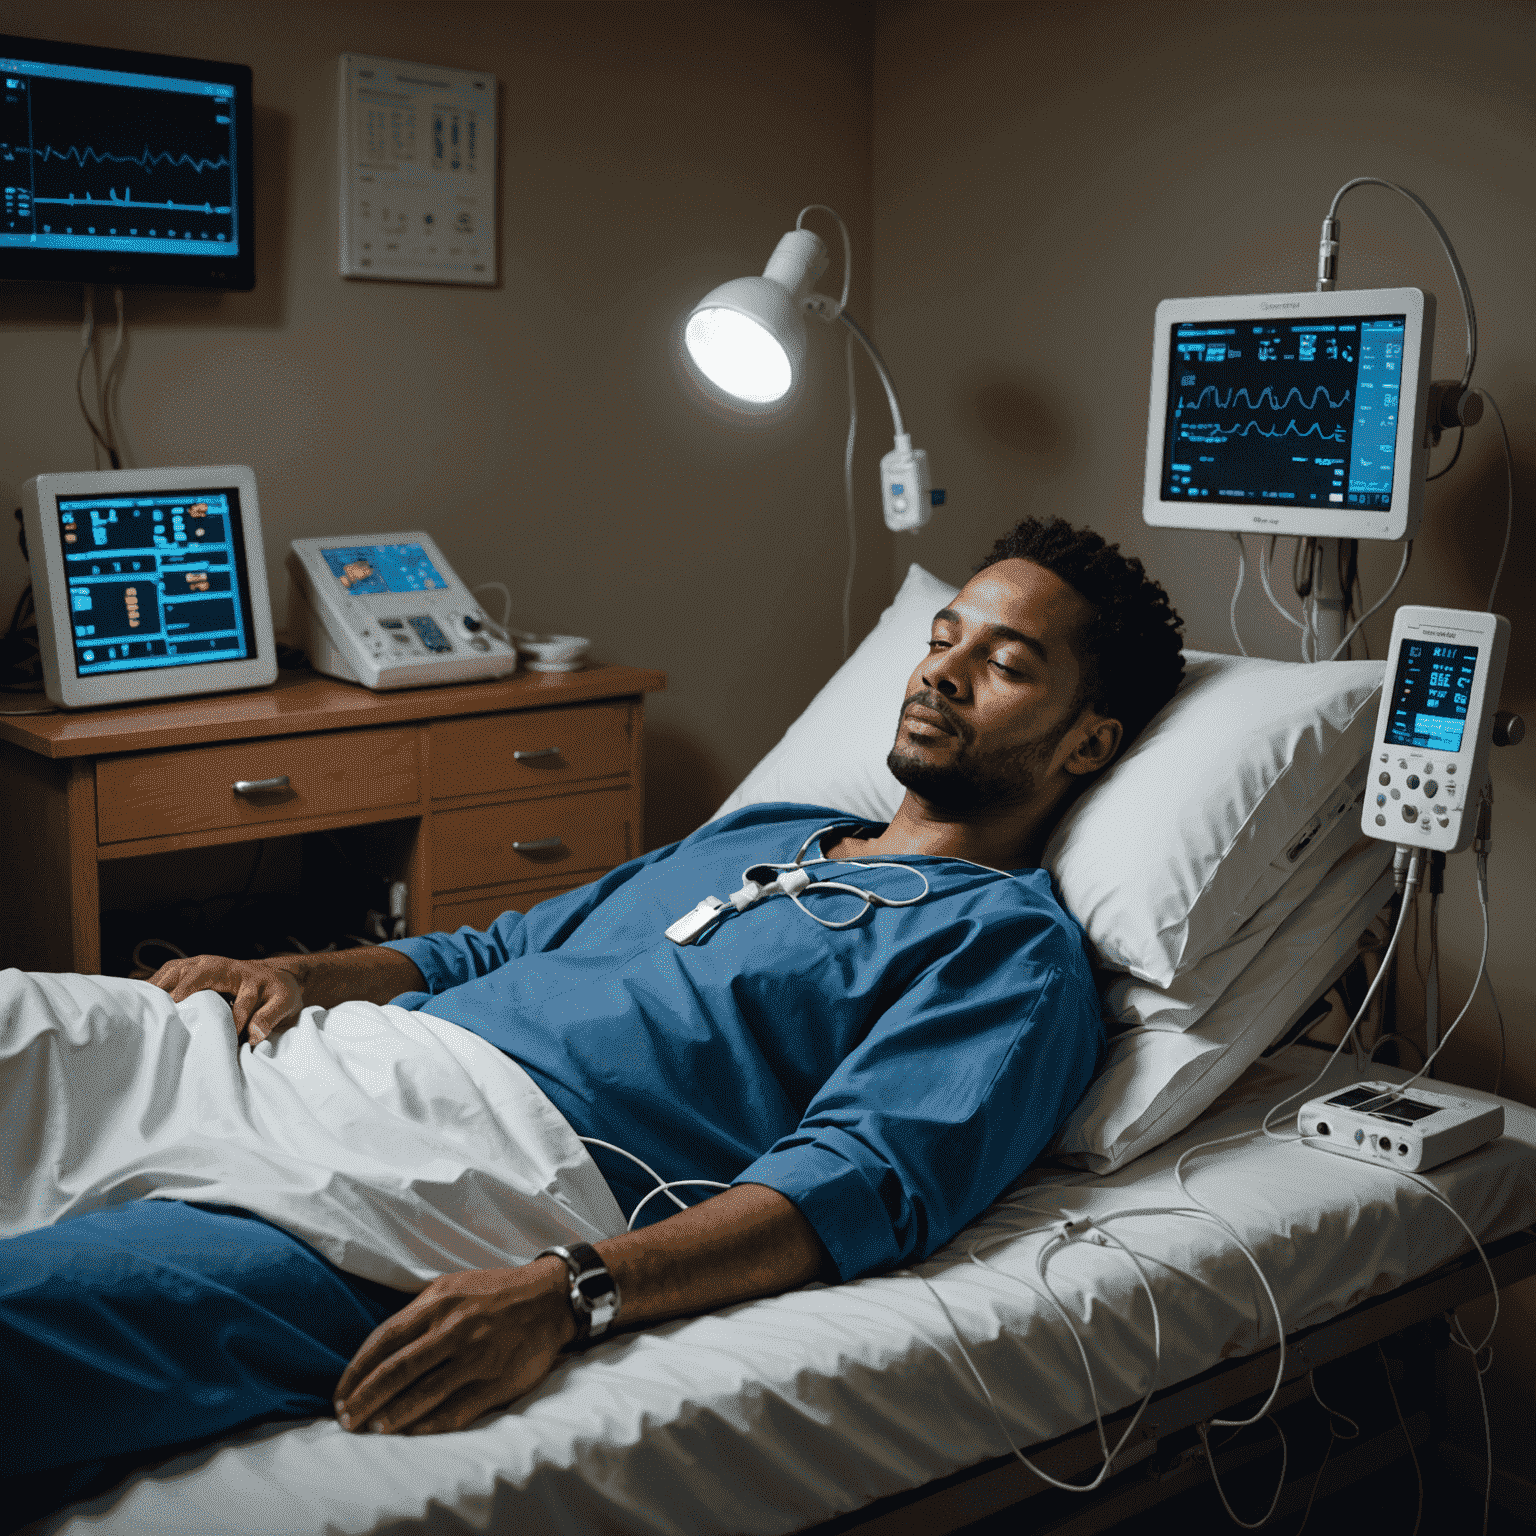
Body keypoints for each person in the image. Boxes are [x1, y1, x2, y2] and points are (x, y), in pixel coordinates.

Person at [0, 518, 1183, 1522]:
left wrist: (573, 1292)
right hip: (293, 1052)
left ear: (1089, 741)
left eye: (1007, 663)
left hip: (437, 1182)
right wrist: (309, 975)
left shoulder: (1009, 952)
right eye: (942, 639)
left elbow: (855, 1183)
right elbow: (499, 945)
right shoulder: (774, 829)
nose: (942, 673)